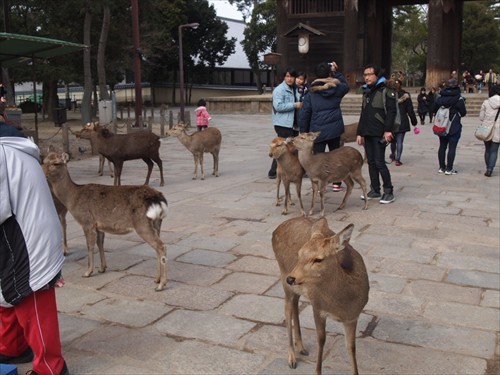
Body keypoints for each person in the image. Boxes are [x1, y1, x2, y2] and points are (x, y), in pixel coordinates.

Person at [0, 120, 69, 375]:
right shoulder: (9, 143)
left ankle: (50, 368)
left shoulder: (2, 150)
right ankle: (12, 347)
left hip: (28, 238)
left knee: (31, 300)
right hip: (18, 230)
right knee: (6, 294)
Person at [299, 61, 349, 191]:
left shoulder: (311, 93)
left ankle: (319, 183)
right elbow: (345, 86)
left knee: (318, 158)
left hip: (318, 130)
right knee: (336, 156)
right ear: (329, 73)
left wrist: (303, 132)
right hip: (334, 129)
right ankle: (337, 183)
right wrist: (336, 72)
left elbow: (305, 114)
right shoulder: (337, 89)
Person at [356, 64, 397, 204]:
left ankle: (389, 191)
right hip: (368, 132)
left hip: (380, 133)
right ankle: (375, 189)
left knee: (379, 162)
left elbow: (392, 112)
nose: (366, 77)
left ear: (377, 75)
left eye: (369, 74)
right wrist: (360, 133)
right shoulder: (366, 91)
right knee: (371, 162)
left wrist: (388, 130)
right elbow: (363, 113)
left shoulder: (386, 91)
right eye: (365, 74)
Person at [268, 67, 301, 179]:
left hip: (293, 123)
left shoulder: (295, 89)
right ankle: (273, 171)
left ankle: (283, 171)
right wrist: (294, 105)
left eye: (292, 76)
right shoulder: (279, 90)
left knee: (289, 147)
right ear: (284, 77)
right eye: (287, 76)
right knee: (284, 147)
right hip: (283, 123)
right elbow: (278, 106)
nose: (290, 79)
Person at [431, 78, 467, 175]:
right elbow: (463, 113)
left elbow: (433, 109)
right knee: (452, 147)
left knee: (442, 146)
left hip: (441, 125)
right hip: (454, 126)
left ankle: (441, 167)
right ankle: (449, 168)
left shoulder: (440, 97)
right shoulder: (459, 99)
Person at [389, 79, 418, 166]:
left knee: (392, 140)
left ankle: (393, 155)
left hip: (392, 120)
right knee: (400, 140)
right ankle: (398, 159)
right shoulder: (406, 95)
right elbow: (410, 110)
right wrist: (414, 121)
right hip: (402, 120)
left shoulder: (390, 95)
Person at [479, 84, 500, 177]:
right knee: (494, 150)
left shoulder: (486, 102)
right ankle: (490, 169)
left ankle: (488, 167)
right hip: (498, 128)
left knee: (487, 149)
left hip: (486, 128)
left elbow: (481, 117)